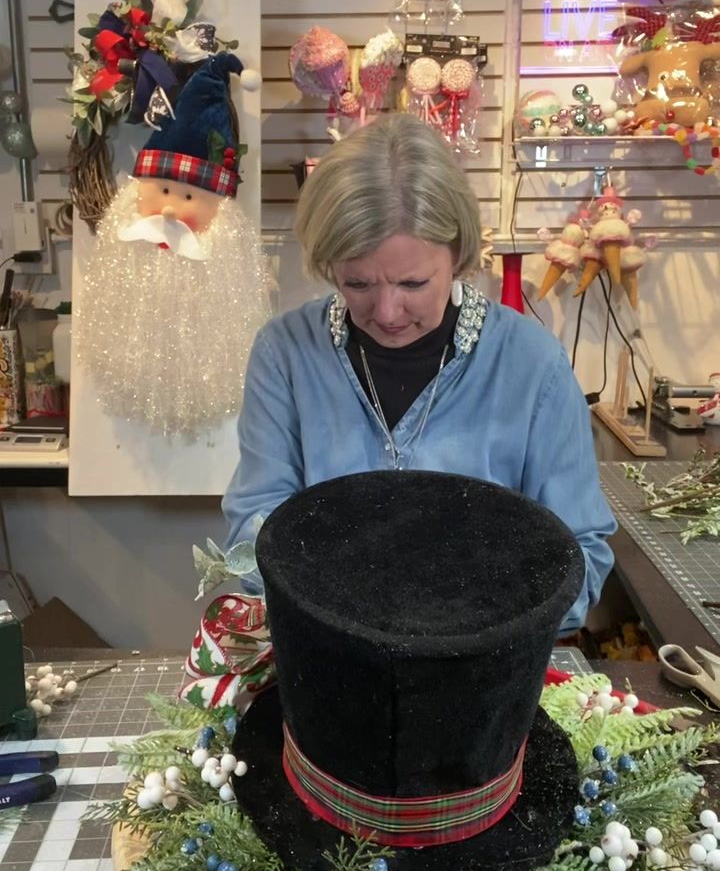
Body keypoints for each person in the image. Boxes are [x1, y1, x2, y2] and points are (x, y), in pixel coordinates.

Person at [222, 112, 616, 635]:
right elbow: (254, 529)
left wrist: (471, 626)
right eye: (357, 282)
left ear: (459, 255)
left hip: (485, 671)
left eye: (412, 283)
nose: (386, 312)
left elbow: (580, 556)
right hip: (332, 663)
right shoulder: (286, 353)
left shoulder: (531, 365)